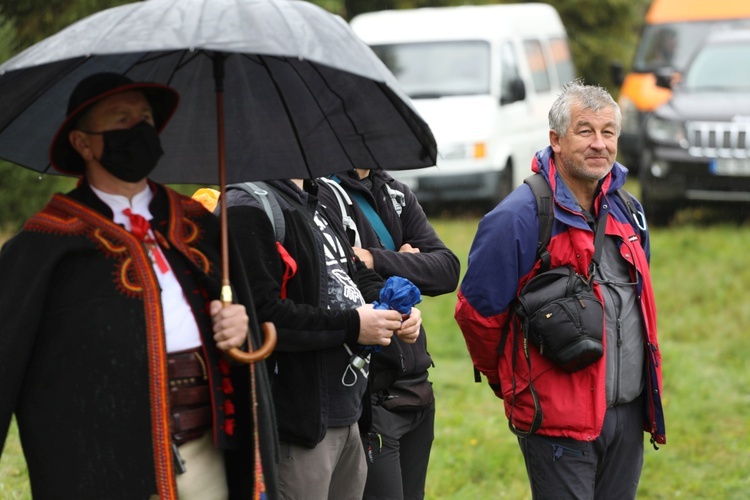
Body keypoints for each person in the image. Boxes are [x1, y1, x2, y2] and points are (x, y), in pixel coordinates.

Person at [0, 73, 278, 499]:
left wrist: (239, 328)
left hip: (206, 447)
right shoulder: (46, 245)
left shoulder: (197, 224)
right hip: (102, 465)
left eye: (145, 118)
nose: (140, 130)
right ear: (83, 143)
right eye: (122, 120)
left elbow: (244, 335)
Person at [455, 80, 666, 498]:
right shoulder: (517, 216)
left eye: (608, 132)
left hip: (626, 412)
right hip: (557, 419)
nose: (599, 144)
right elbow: (477, 316)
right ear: (555, 139)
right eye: (585, 131)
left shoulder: (629, 210)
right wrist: (517, 383)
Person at [224, 177, 422, 500]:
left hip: (350, 415)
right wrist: (353, 326)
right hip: (298, 427)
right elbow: (265, 316)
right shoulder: (247, 206)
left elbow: (355, 274)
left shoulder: (317, 201)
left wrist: (397, 310)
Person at [317, 168, 460, 500]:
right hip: (371, 394)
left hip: (417, 387)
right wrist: (406, 264)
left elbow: (446, 270)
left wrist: (376, 258)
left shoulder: (395, 193)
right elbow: (339, 277)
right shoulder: (322, 194)